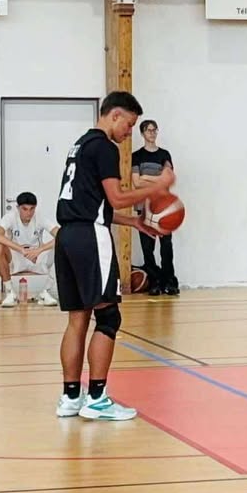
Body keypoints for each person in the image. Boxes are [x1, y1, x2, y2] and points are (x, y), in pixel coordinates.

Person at [55, 91, 173, 421]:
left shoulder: (79, 145)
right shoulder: (104, 147)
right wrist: (157, 186)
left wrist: (133, 222)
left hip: (67, 235)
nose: (129, 132)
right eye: (130, 125)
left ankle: (70, 397)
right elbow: (117, 197)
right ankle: (97, 398)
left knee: (77, 319)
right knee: (108, 317)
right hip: (90, 238)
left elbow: (92, 203)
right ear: (115, 115)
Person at [133, 120, 178, 295]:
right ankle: (155, 282)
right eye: (148, 130)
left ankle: (170, 281)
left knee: (166, 246)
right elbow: (137, 182)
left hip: (163, 206)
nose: (152, 133)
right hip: (144, 207)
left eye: (154, 130)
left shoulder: (164, 154)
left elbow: (168, 178)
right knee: (147, 247)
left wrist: (146, 177)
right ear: (142, 133)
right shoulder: (137, 156)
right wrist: (158, 180)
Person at [0, 191, 57, 307]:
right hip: (17, 256)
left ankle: (45, 292)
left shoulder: (40, 217)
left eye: (32, 209)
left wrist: (39, 250)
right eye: (25, 209)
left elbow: (62, 235)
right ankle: (10, 292)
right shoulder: (10, 217)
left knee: (63, 245)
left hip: (35, 255)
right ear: (18, 208)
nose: (29, 213)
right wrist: (20, 249)